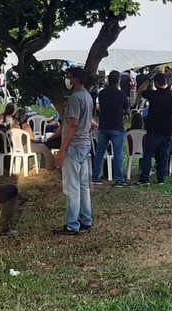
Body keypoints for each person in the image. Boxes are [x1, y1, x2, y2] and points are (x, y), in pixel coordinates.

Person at [53, 67, 94, 235]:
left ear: (76, 79)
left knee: (72, 187)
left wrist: (62, 150)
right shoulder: (88, 96)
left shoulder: (75, 98)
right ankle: (86, 219)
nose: (67, 80)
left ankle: (72, 224)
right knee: (83, 185)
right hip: (84, 144)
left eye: (69, 77)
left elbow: (73, 124)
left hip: (74, 145)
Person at [136, 72, 172, 185]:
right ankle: (161, 178)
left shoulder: (153, 94)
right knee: (163, 155)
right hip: (167, 130)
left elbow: (140, 91)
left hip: (153, 130)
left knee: (148, 154)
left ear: (156, 83)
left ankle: (145, 178)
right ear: (165, 82)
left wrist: (147, 81)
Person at [92, 70, 130, 186]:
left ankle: (95, 177)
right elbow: (127, 111)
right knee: (118, 153)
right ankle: (119, 179)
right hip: (117, 127)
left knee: (100, 152)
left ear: (108, 80)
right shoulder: (122, 95)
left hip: (103, 126)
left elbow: (99, 107)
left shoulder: (102, 93)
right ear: (119, 81)